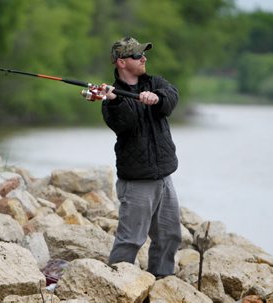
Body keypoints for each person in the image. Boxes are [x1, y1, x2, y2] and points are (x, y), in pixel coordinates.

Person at [100, 36, 182, 279]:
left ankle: (161, 281)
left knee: (170, 235)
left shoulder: (155, 82)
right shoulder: (111, 100)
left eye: (144, 54)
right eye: (137, 55)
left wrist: (157, 98)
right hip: (136, 183)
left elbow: (171, 97)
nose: (144, 58)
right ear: (122, 63)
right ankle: (116, 283)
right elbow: (124, 123)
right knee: (130, 240)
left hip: (164, 177)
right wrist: (116, 100)